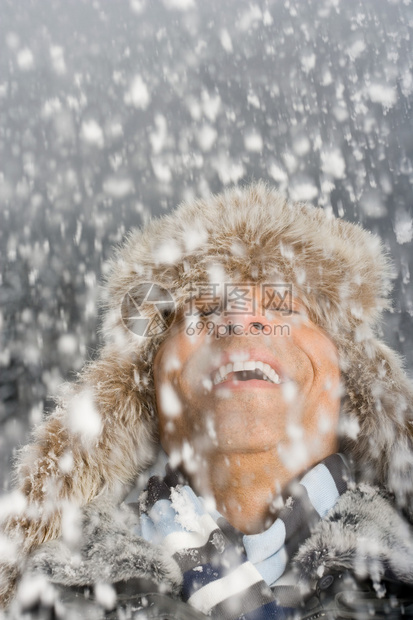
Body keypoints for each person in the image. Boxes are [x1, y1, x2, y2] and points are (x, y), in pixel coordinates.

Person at [2, 183, 413, 619]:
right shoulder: (43, 601)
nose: (239, 321)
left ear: (353, 377)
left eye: (284, 305)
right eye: (201, 310)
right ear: (144, 389)